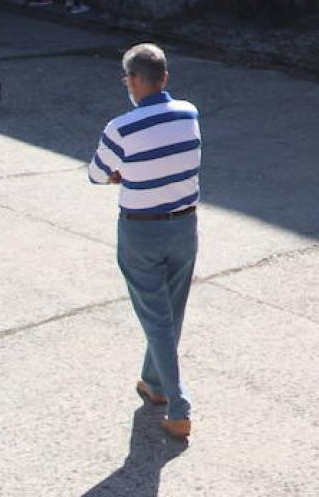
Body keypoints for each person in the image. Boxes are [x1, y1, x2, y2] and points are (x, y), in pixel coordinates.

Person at [88, 43, 200, 438]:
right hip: (185, 226)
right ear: (164, 78)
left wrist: (121, 174)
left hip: (141, 231)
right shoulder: (189, 114)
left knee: (156, 319)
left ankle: (179, 405)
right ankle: (154, 382)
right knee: (171, 312)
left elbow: (96, 174)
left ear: (133, 81)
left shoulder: (120, 128)